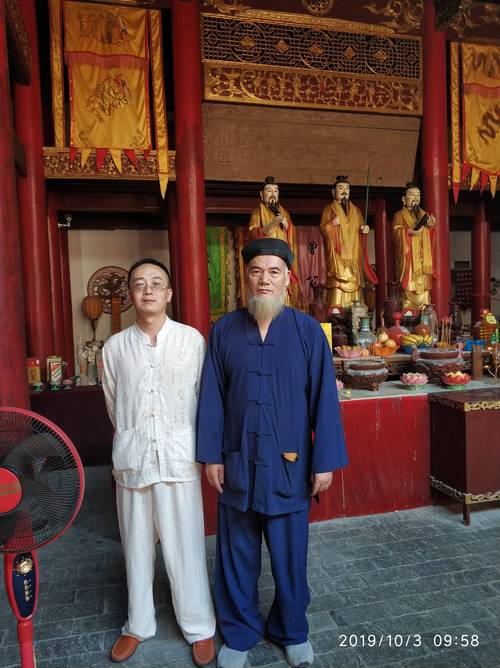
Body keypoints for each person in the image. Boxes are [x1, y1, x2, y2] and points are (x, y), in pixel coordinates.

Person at [197, 238, 347, 668]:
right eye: (256, 271)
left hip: (289, 466)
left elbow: (324, 401)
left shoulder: (308, 332)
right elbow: (212, 398)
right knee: (236, 555)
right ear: (245, 278)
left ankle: (291, 630)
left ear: (288, 280)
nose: (264, 279)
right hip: (238, 462)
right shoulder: (224, 330)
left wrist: (324, 462)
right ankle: (240, 633)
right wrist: (211, 455)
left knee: (289, 558)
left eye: (274, 272)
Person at [102, 258, 216, 666]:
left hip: (179, 456)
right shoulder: (114, 348)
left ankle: (199, 626)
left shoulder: (191, 341)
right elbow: (114, 404)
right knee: (135, 547)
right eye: (139, 284)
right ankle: (138, 624)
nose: (147, 290)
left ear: (168, 293)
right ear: (131, 295)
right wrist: (136, 437)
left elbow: (204, 398)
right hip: (133, 460)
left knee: (186, 546)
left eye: (155, 283)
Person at [320, 175, 378, 308]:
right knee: (337, 289)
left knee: (355, 290)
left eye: (347, 188)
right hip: (338, 258)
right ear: (333, 192)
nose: (344, 191)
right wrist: (331, 224)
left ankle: (357, 306)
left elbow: (361, 228)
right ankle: (336, 307)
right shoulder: (329, 209)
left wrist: (364, 229)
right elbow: (323, 230)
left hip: (353, 257)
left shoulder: (356, 211)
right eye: (341, 188)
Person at [249, 176, 302, 308]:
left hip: (282, 258)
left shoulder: (284, 213)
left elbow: (292, 234)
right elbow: (253, 232)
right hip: (266, 258)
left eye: (275, 191)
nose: (273, 194)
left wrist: (287, 226)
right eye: (269, 191)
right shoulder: (257, 212)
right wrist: (272, 224)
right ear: (261, 194)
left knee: (283, 286)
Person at [392, 182, 437, 311]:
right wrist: (408, 232)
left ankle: (425, 313)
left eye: (418, 195)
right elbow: (396, 233)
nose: (416, 198)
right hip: (409, 261)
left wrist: (431, 228)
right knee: (409, 290)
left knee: (424, 290)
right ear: (404, 199)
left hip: (423, 262)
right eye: (412, 195)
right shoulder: (399, 215)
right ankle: (407, 312)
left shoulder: (424, 215)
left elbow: (431, 241)